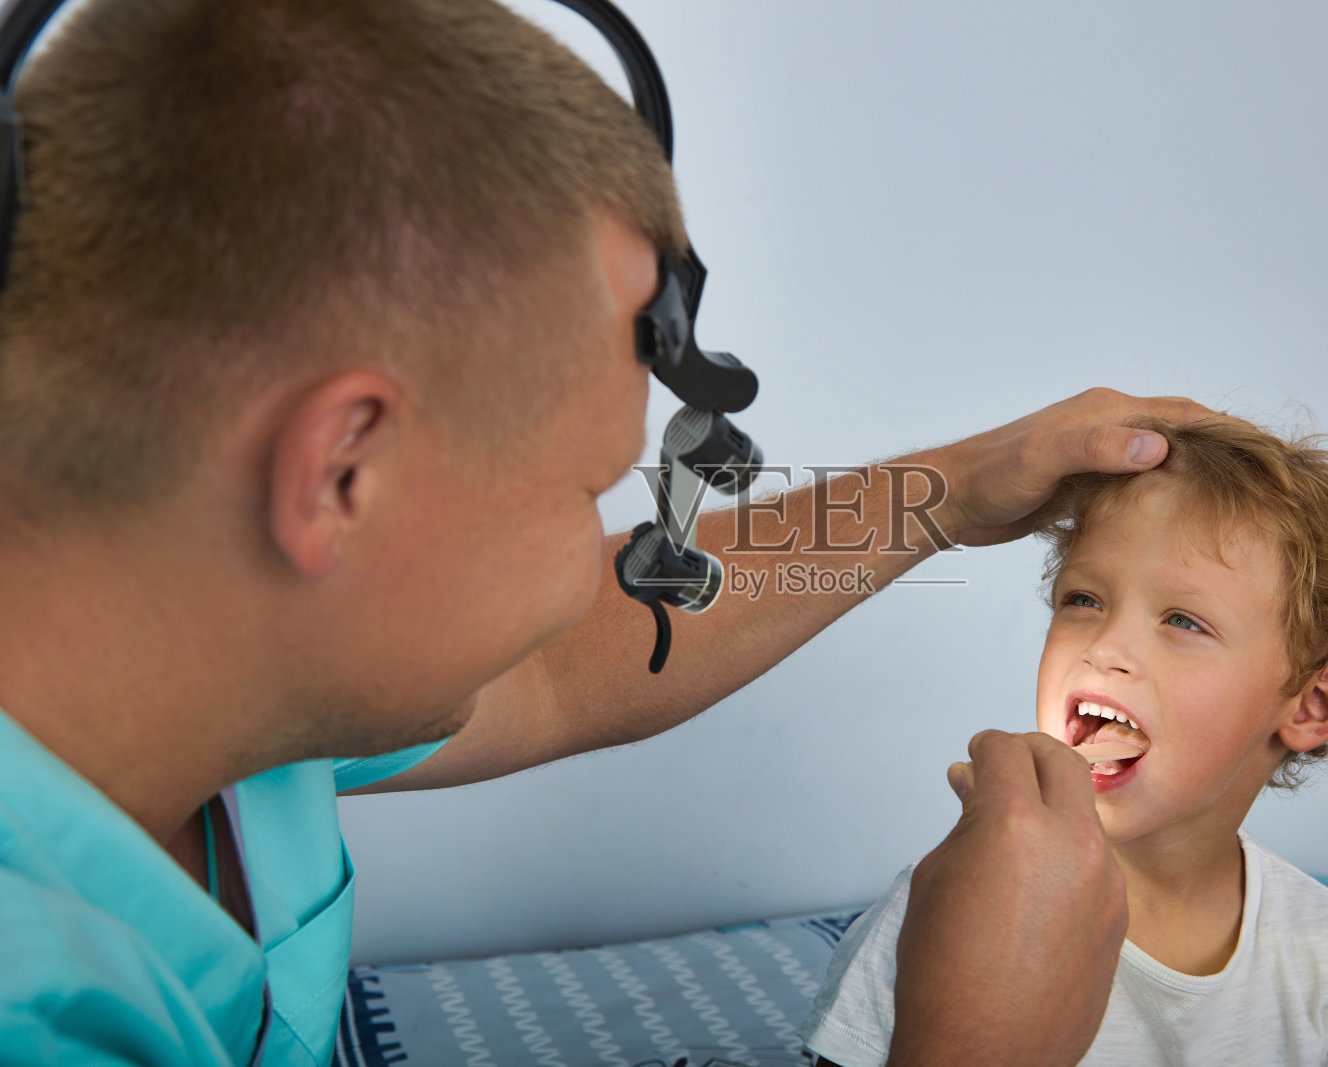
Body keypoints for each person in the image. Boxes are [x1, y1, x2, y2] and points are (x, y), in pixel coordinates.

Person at [0, 0, 1207, 1064]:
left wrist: (948, 487)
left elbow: (560, 662)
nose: (601, 556)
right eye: (584, 492)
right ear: (340, 473)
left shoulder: (227, 667)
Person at [800, 414, 1328, 1066]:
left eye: (1182, 619)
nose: (1105, 646)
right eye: (1084, 598)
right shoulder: (946, 912)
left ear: (1314, 704)